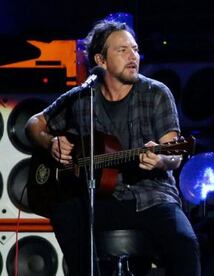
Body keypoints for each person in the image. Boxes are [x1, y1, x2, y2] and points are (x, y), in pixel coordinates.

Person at [25, 19, 200, 276]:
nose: (133, 56)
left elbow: (173, 156)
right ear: (101, 60)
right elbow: (33, 124)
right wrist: (49, 143)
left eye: (136, 49)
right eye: (123, 50)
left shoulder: (156, 93)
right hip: (99, 198)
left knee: (185, 242)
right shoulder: (83, 97)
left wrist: (161, 161)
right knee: (65, 213)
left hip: (151, 196)